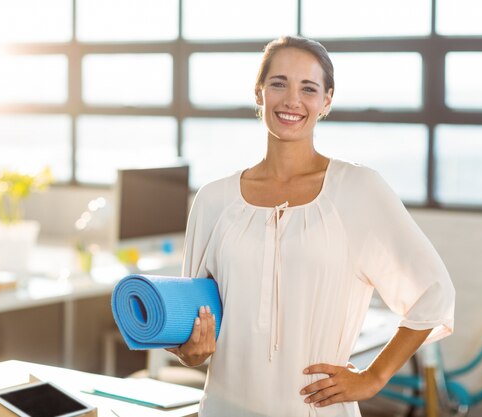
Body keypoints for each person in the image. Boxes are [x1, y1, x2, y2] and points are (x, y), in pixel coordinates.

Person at [166, 35, 455, 417]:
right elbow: (193, 326)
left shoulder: (357, 189)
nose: (291, 100)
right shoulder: (213, 200)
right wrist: (190, 351)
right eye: (279, 83)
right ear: (259, 93)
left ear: (326, 101)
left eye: (309, 88)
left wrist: (373, 377)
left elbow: (434, 292)